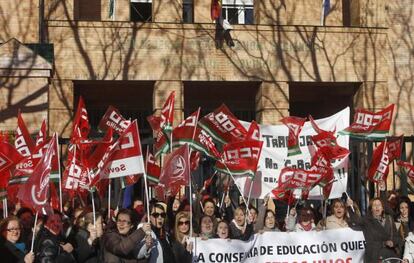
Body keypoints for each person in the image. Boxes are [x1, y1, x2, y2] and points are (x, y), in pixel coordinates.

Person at [348, 197, 401, 261]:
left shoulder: (389, 219)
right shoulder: (367, 220)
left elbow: (396, 237)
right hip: (374, 257)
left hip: (389, 256)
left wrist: (393, 242)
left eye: (379, 205)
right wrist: (350, 207)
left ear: (382, 208)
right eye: (374, 205)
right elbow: (355, 221)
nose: (377, 207)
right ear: (371, 209)